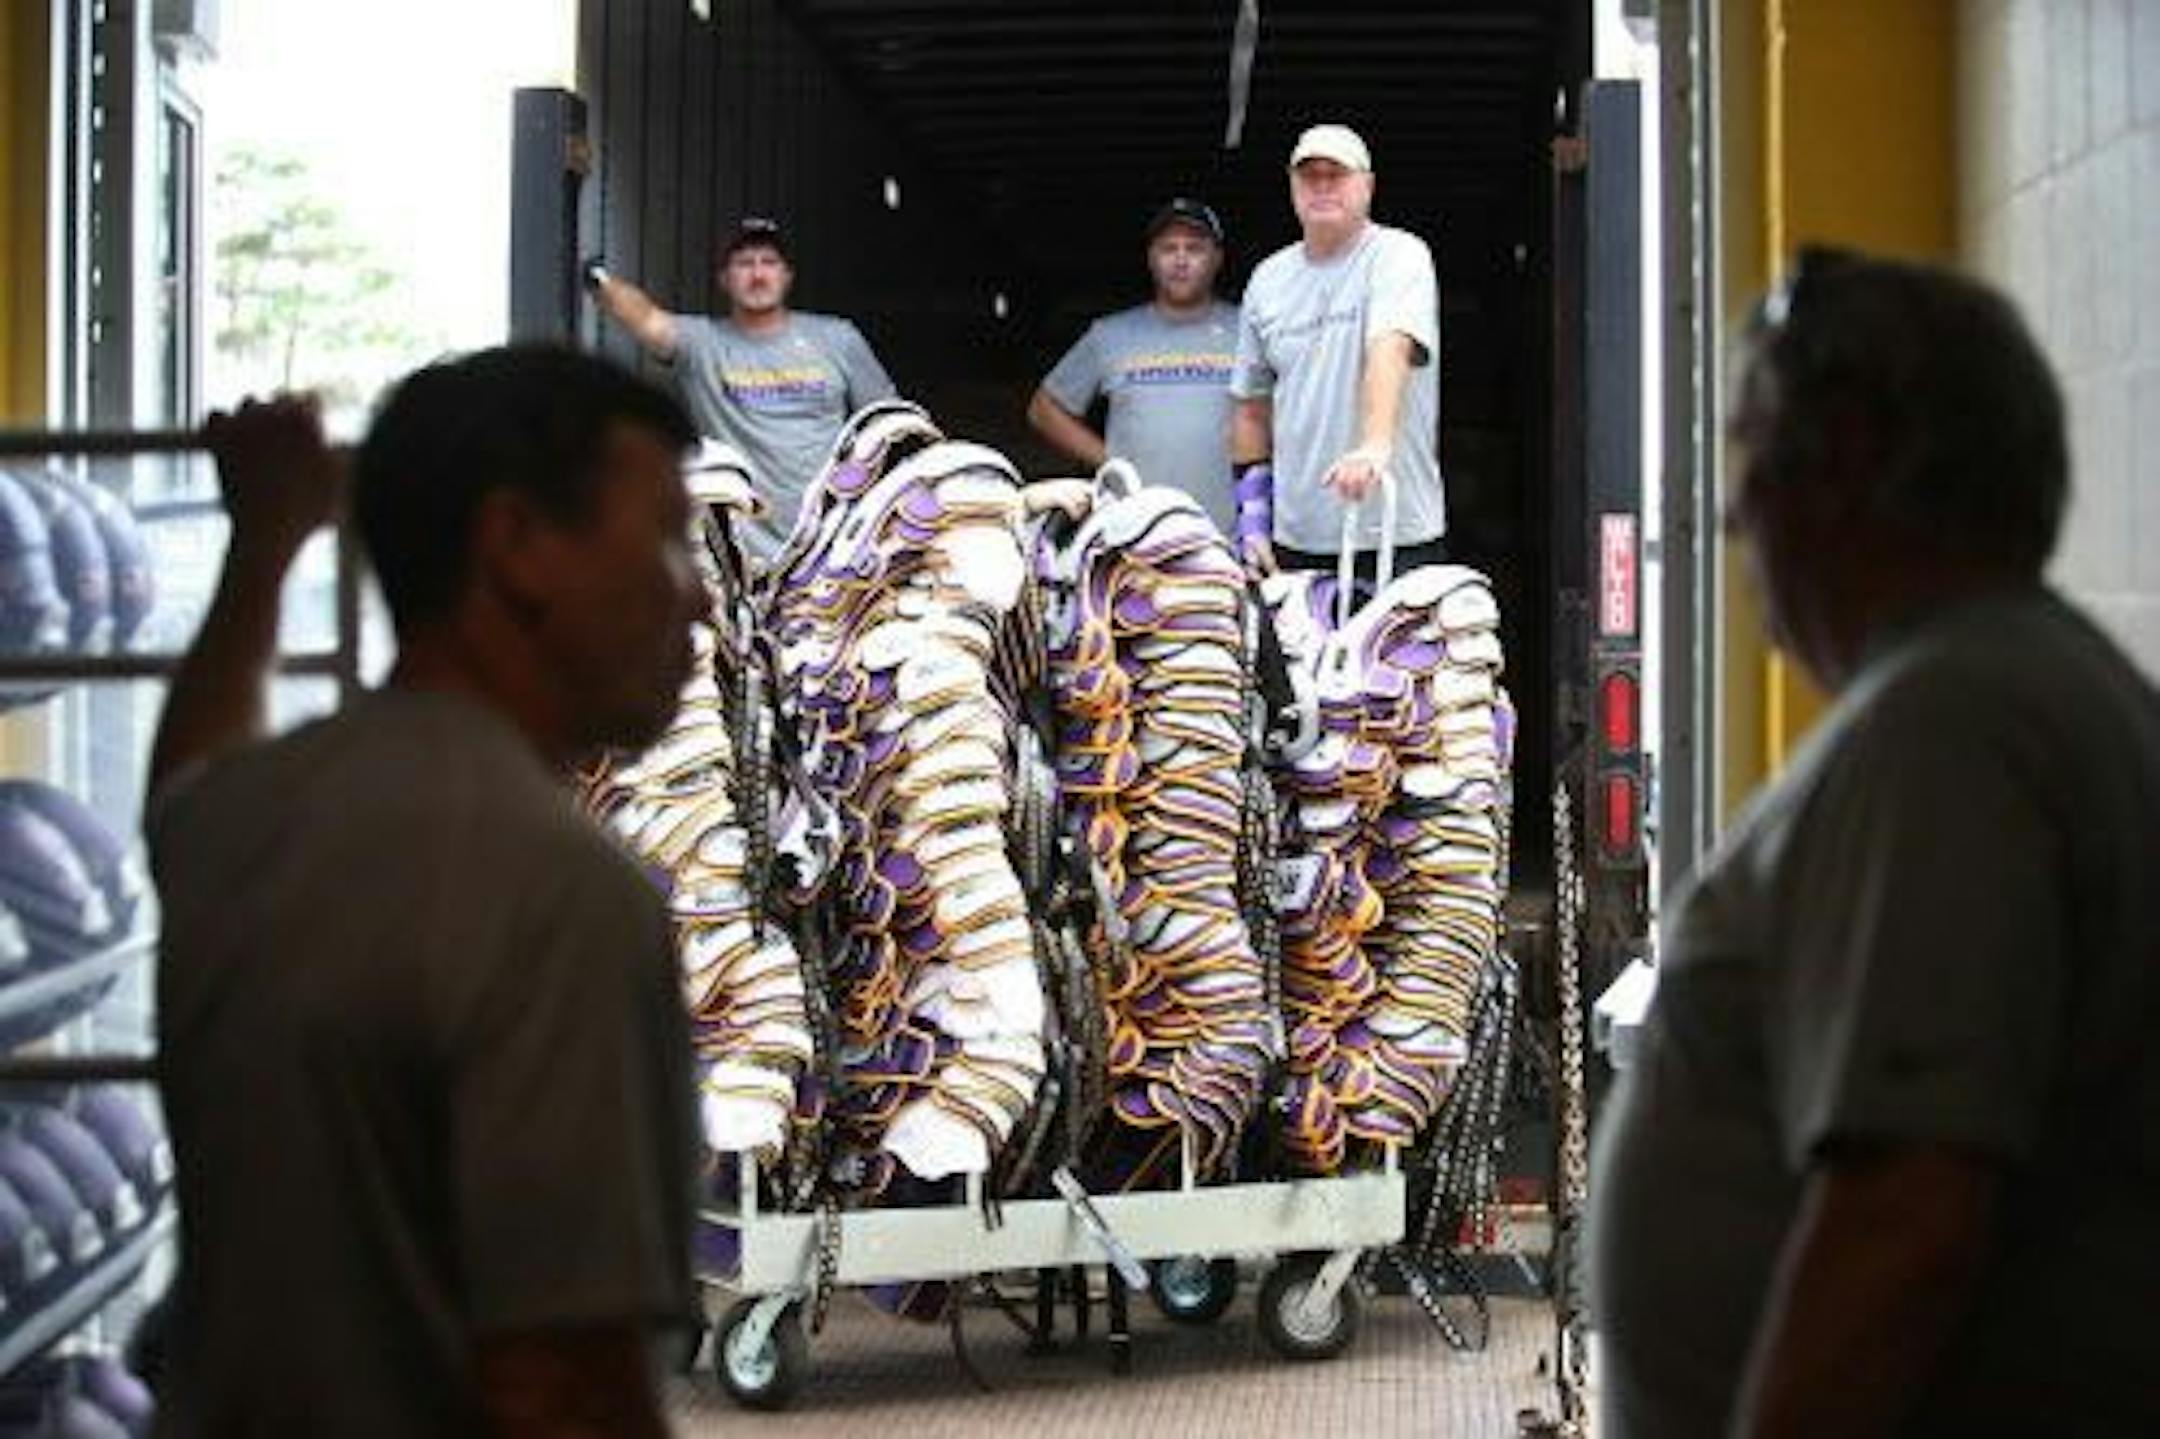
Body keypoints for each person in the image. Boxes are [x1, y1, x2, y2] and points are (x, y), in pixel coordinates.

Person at [1587, 249, 2160, 1437]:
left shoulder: (1954, 728)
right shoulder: (2016, 688)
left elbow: (1906, 1213)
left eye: (1747, 447)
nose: (1734, 512)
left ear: (1840, 453)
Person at [148, 347, 706, 1437]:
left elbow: (184, 767)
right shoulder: (561, 895)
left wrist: (263, 543)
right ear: (516, 546)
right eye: (668, 536)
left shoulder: (238, 822)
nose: (695, 591)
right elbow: (558, 1385)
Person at [585, 216, 896, 561]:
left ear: (787, 276)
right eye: (744, 264)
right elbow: (645, 317)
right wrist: (598, 279)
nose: (758, 274)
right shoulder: (700, 344)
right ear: (724, 280)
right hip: (739, 554)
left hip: (831, 546)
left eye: (769, 263)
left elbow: (886, 425)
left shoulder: (838, 339)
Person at [1228, 123, 1445, 582]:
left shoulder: (1398, 255)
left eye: (1337, 174)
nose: (1322, 186)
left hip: (1392, 528)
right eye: (1310, 176)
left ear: (1367, 186)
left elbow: (1390, 348)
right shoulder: (1268, 279)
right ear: (1292, 188)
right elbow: (1250, 407)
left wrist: (1374, 445)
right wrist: (1252, 519)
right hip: (1297, 538)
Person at [1027, 197, 1241, 533]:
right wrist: (1110, 461)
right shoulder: (1110, 335)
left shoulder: (1248, 331)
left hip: (1229, 532)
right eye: (1168, 248)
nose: (1181, 260)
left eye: (1194, 248)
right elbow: (1044, 410)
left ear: (1217, 259)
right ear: (1151, 259)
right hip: (1133, 534)